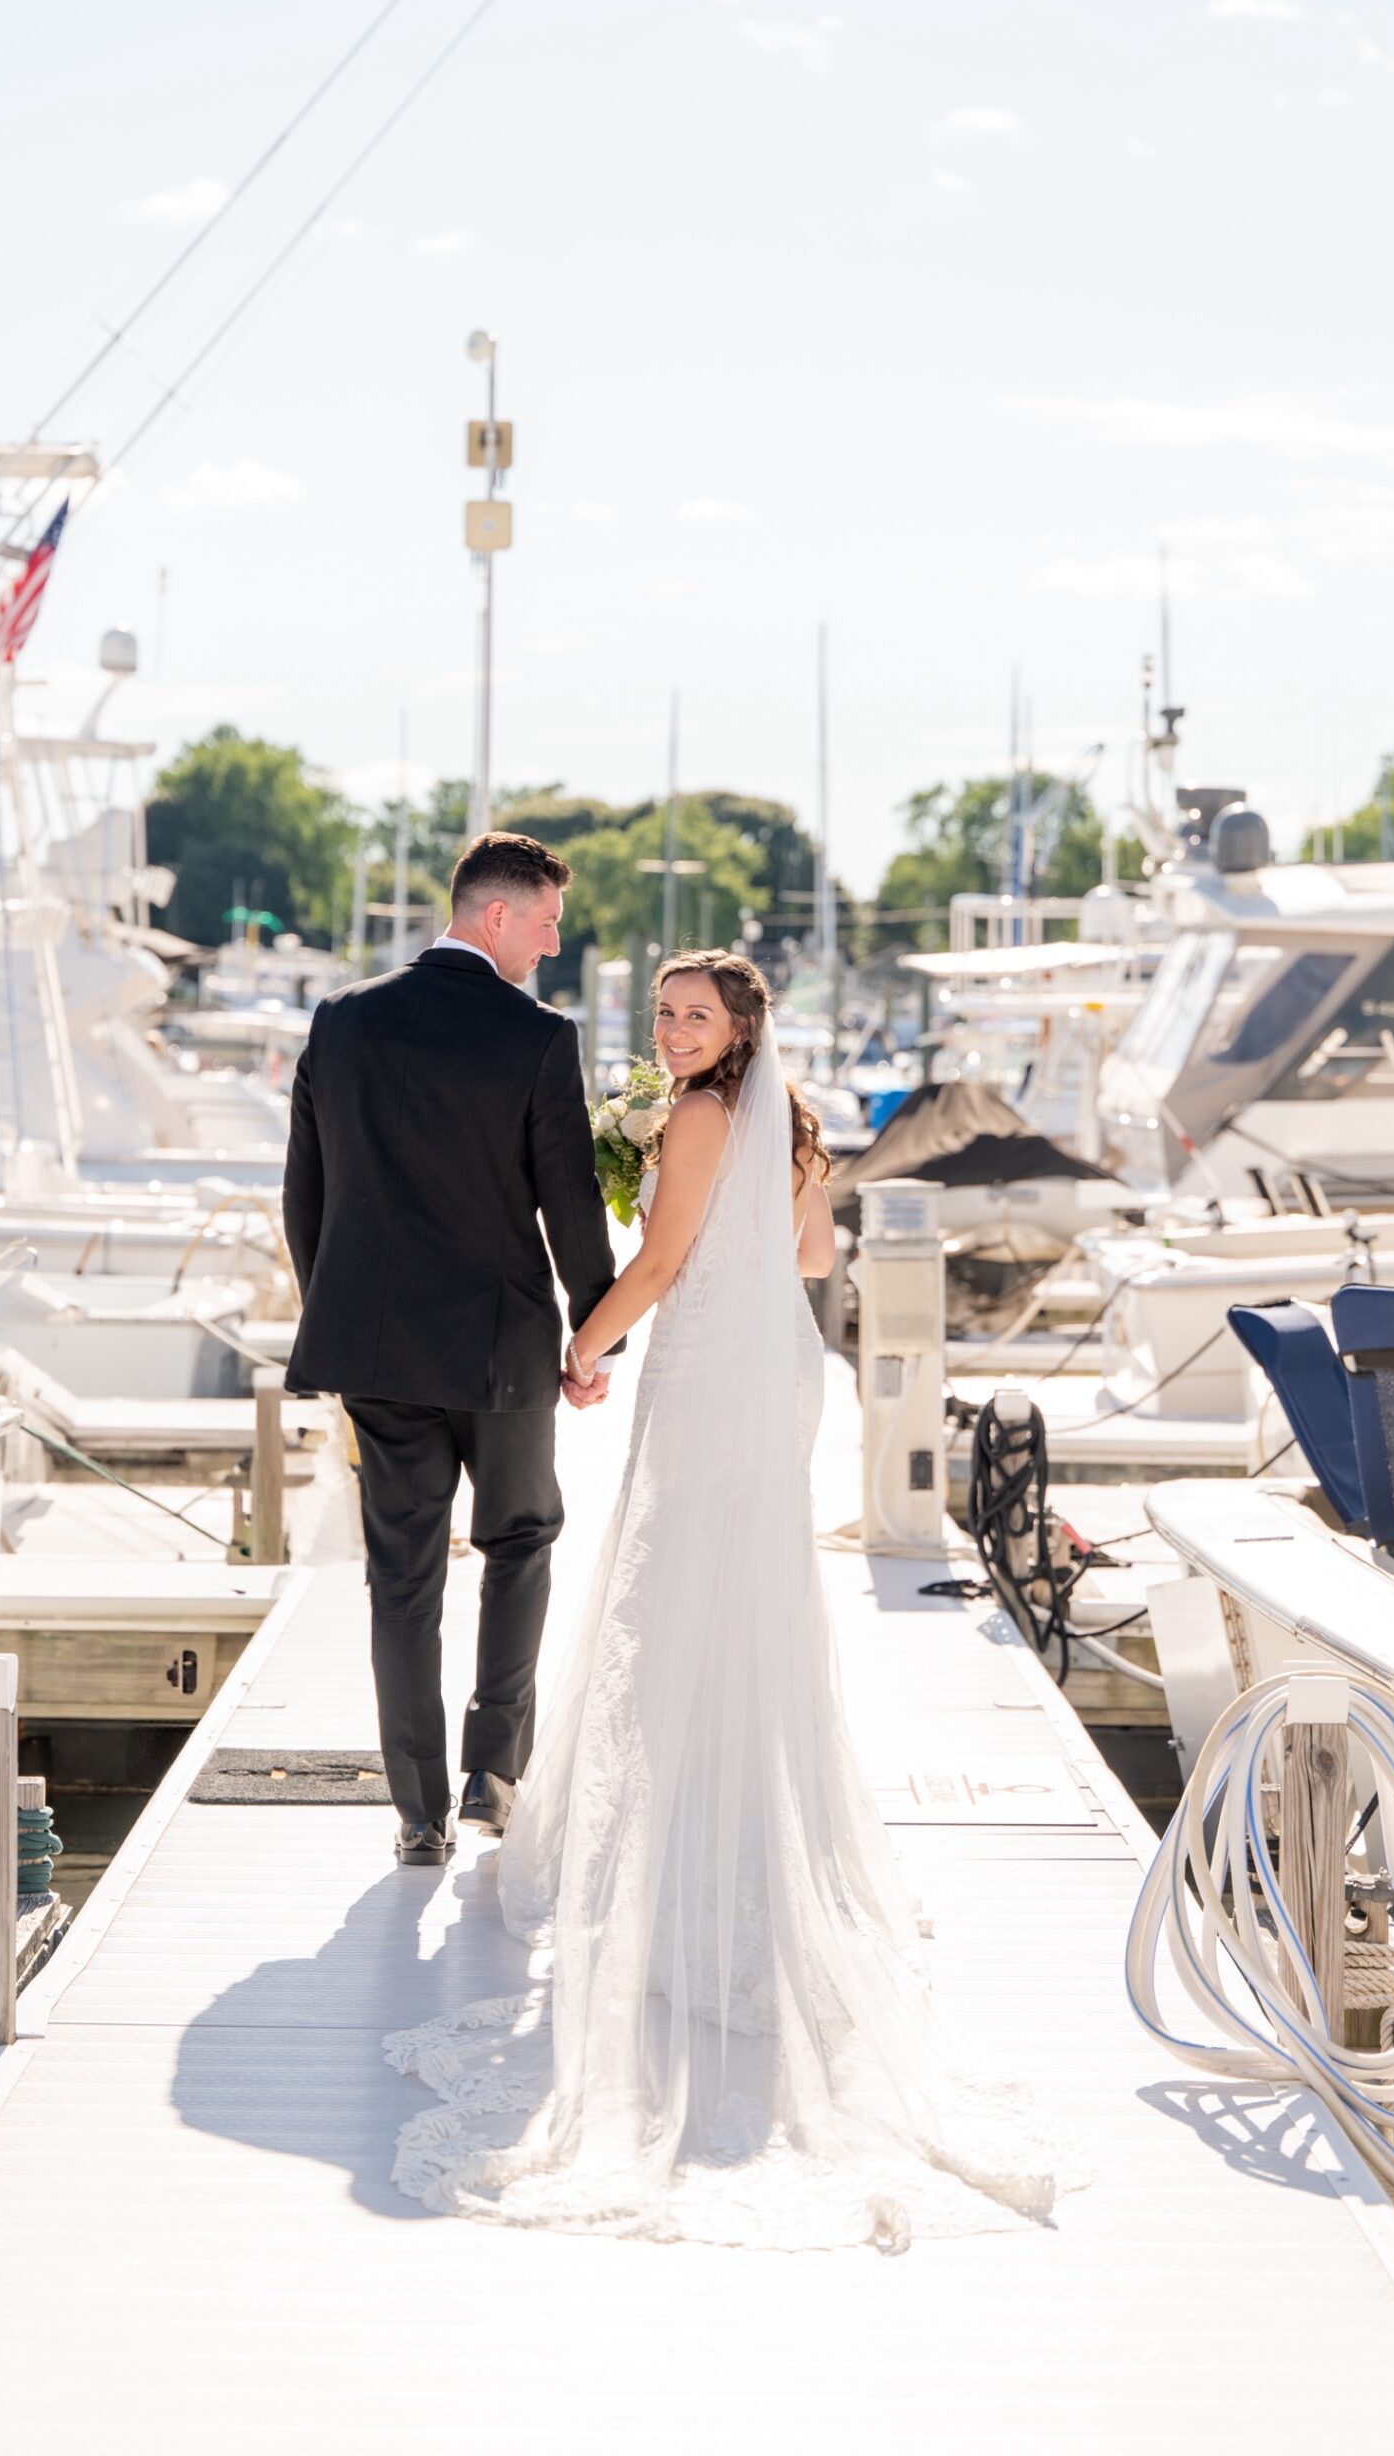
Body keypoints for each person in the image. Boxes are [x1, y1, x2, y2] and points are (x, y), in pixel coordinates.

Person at [385, 950, 1079, 2249]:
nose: (672, 1029)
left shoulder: (702, 1116)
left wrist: (578, 1342)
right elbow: (810, 1251)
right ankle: (746, 1836)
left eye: (693, 1014)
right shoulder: (793, 1123)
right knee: (740, 1597)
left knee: (679, 1584)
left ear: (741, 1024)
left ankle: (688, 1867)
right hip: (776, 1362)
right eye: (661, 1013)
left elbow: (658, 1262)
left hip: (711, 1366)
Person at [282, 832, 618, 1867]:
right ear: (497, 917)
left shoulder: (342, 1022)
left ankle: (417, 1810)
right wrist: (591, 1331)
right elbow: (570, 1207)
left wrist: (337, 1314)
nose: (554, 945)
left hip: (377, 1351)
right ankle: (493, 1769)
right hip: (501, 1350)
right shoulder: (536, 1036)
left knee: (402, 1577)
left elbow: (307, 1197)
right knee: (519, 1543)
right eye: (548, 922)